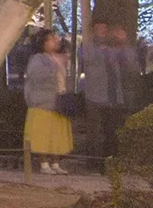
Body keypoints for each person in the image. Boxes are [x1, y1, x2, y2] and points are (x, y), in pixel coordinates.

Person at [78, 17, 141, 167]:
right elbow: (87, 60)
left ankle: (111, 161)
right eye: (99, 29)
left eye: (105, 30)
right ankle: (93, 163)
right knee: (94, 132)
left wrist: (123, 42)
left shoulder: (116, 48)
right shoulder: (87, 47)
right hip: (94, 94)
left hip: (114, 95)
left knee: (112, 130)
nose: (102, 33)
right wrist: (100, 44)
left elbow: (131, 65)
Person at [20, 28, 75, 172]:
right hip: (42, 101)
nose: (56, 40)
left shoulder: (59, 57)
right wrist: (55, 68)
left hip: (58, 100)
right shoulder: (38, 59)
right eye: (51, 39)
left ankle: (56, 163)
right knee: (42, 133)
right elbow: (37, 77)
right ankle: (44, 163)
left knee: (57, 133)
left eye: (55, 38)